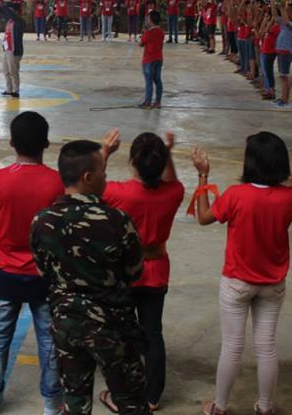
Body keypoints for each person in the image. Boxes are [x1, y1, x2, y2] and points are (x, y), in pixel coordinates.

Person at [192, 132, 292, 415]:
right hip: (273, 284)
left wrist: (203, 177)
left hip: (237, 282)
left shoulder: (236, 195)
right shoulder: (291, 198)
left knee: (232, 347)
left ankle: (220, 407)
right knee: (266, 347)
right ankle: (265, 407)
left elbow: (203, 217)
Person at [30, 139, 146, 415]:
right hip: (112, 327)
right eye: (103, 172)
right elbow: (135, 271)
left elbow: (43, 271)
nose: (106, 177)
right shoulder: (117, 221)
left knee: (75, 401)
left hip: (67, 326)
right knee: (131, 401)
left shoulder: (42, 221)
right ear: (88, 177)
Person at [0, 112, 64, 415]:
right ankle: (52, 403)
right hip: (44, 275)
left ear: (12, 143)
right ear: (46, 143)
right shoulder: (57, 183)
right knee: (50, 342)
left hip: (4, 273)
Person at [101, 131, 184, 411]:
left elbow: (88, 187)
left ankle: (123, 394)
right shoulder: (174, 192)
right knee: (153, 333)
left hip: (123, 273)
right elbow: (171, 181)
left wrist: (104, 152)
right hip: (156, 270)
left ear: (132, 161)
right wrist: (167, 152)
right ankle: (152, 396)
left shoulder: (117, 192)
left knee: (120, 334)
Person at [0, 0, 24, 98]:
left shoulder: (19, 21)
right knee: (6, 71)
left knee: (13, 71)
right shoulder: (10, 20)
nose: (9, 12)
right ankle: (9, 89)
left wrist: (4, 5)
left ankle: (16, 91)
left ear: (16, 11)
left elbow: (8, 12)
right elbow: (2, 11)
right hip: (7, 49)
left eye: (12, 10)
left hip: (14, 50)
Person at [139, 11, 165, 109]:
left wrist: (143, 33)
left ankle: (148, 102)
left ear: (151, 20)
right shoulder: (161, 32)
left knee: (149, 81)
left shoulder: (149, 33)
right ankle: (158, 102)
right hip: (159, 58)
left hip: (149, 60)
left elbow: (141, 43)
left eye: (148, 19)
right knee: (158, 80)